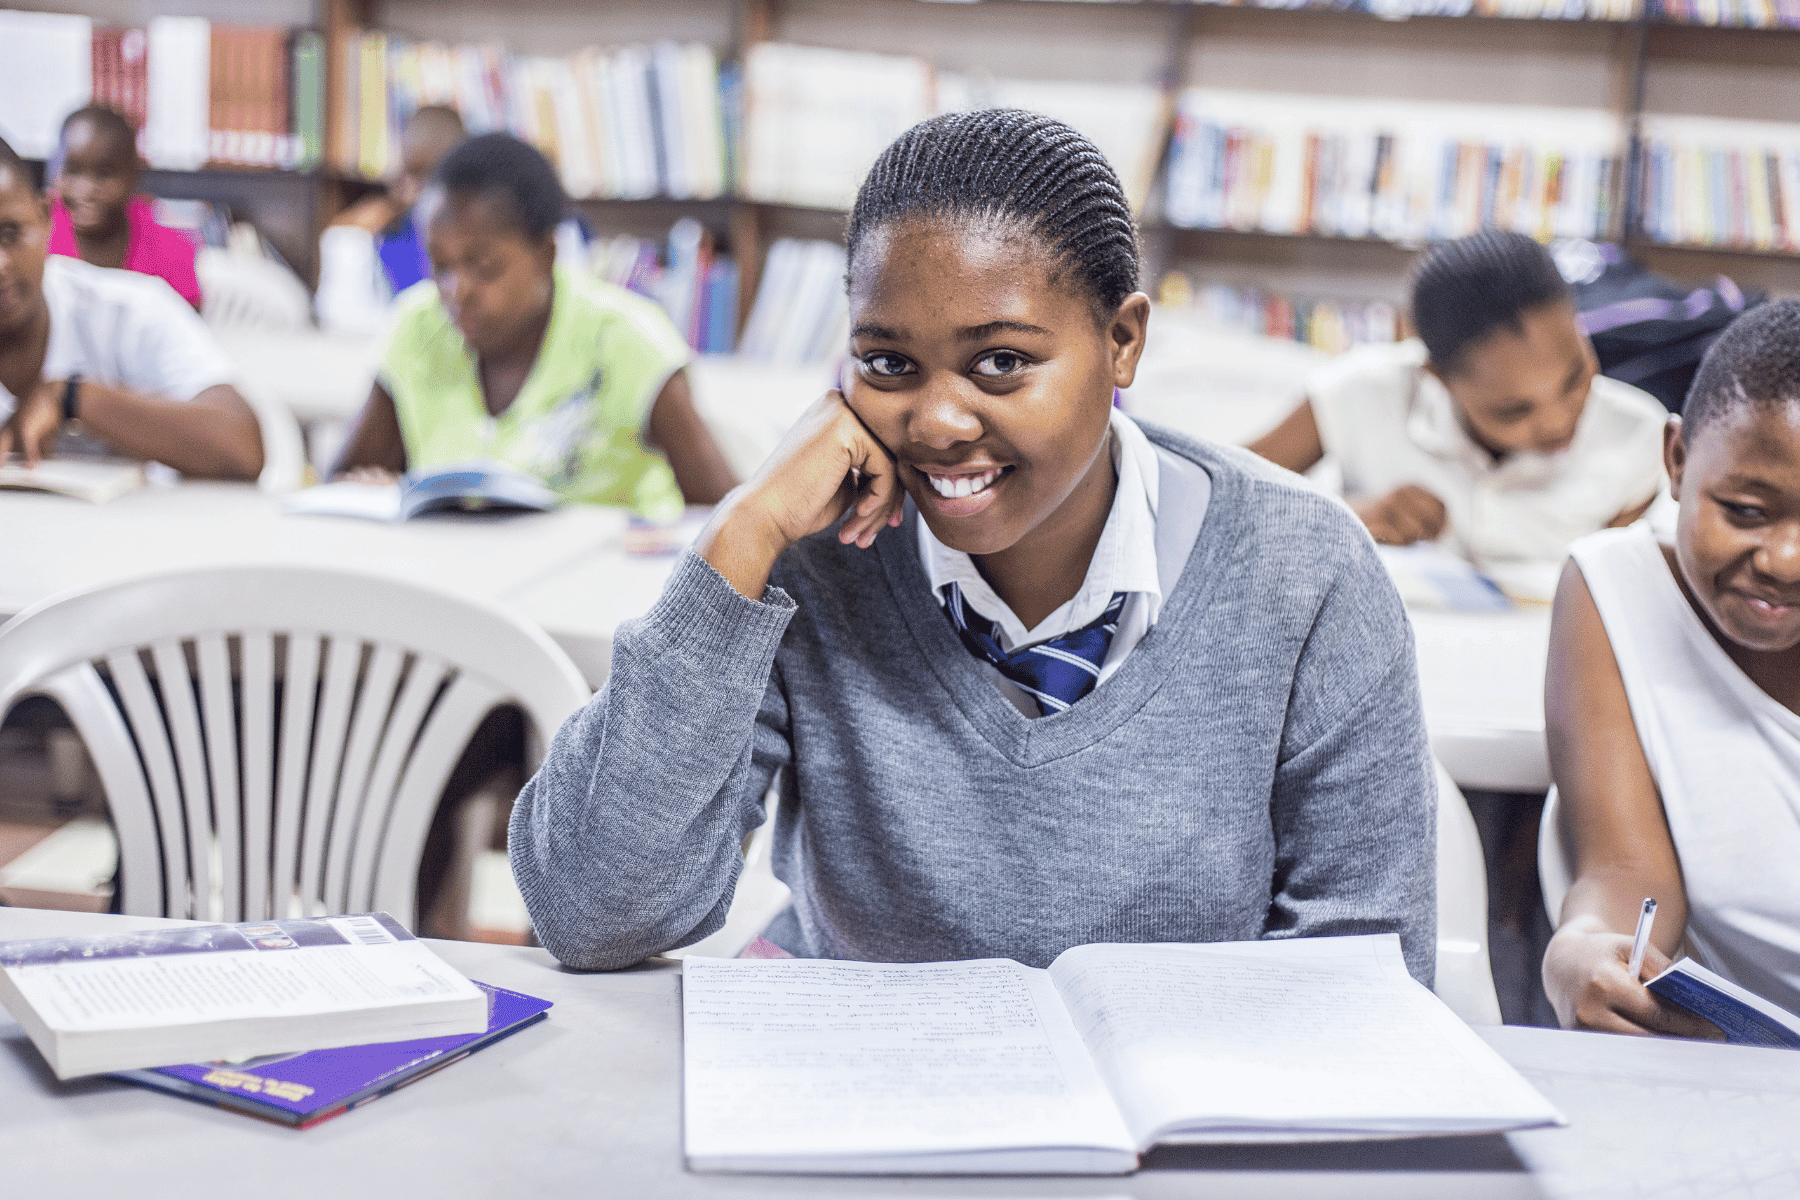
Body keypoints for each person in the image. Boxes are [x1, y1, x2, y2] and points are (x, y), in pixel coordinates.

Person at [509, 111, 1437, 979]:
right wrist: (742, 530)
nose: (940, 422)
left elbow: (1363, 976)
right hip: (863, 1106)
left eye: (1002, 363)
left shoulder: (1306, 569)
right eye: (888, 364)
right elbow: (596, 916)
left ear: (1122, 343)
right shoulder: (809, 554)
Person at [1542, 299, 1800, 1036]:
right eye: (1746, 510)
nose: (1783, 561)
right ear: (1678, 460)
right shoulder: (1615, 589)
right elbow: (1626, 870)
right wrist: (1586, 945)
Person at [332, 133, 736, 515]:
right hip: (451, 575)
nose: (458, 291)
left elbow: (729, 518)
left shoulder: (624, 337)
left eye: (485, 267)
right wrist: (368, 491)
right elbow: (341, 484)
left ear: (546, 254)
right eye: (441, 268)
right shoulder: (417, 327)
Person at [1250, 231, 1667, 577]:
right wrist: (1343, 517)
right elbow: (1215, 500)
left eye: (1576, 376)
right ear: (1436, 377)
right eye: (1512, 410)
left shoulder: (1643, 438)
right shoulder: (1361, 391)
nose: (1559, 420)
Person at [0, 135, 264, 480]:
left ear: (46, 216)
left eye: (10, 232)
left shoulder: (130, 310)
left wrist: (71, 396)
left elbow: (243, 449)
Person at [314, 105, 466, 334]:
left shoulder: (467, 239)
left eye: (428, 176)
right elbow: (338, 314)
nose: (413, 190)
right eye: (411, 171)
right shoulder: (384, 228)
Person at [46, 105, 203, 309]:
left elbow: (187, 332)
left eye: (104, 173)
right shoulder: (37, 235)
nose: (86, 190)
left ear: (133, 174)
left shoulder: (171, 248)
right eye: (72, 171)